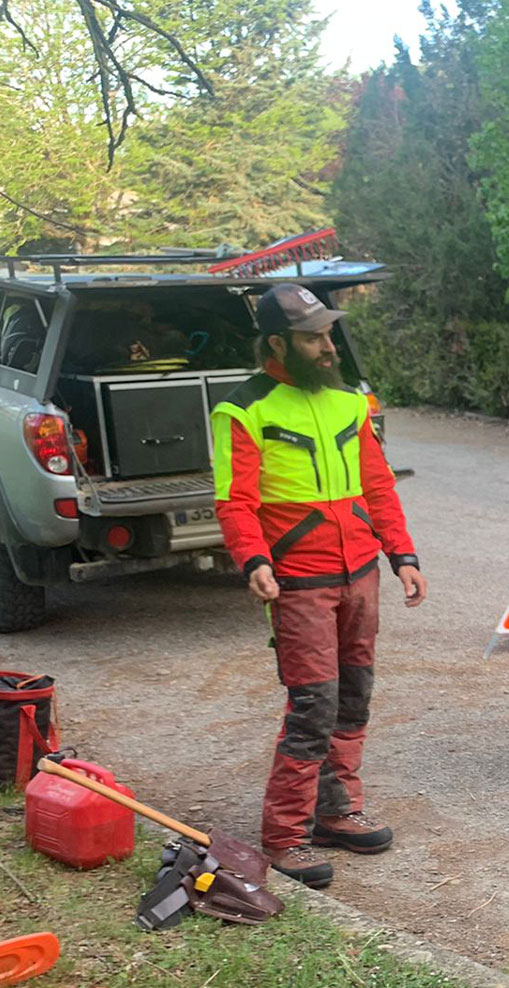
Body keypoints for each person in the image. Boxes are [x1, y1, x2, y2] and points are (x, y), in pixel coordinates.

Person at [211, 282, 427, 890]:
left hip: (358, 572)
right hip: (299, 580)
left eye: (328, 333)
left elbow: (379, 487)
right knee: (314, 705)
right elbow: (234, 501)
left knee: (354, 693)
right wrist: (252, 559)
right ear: (278, 342)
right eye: (313, 336)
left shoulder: (349, 403)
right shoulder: (243, 409)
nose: (327, 345)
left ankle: (336, 812)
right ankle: (285, 837)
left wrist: (401, 554)